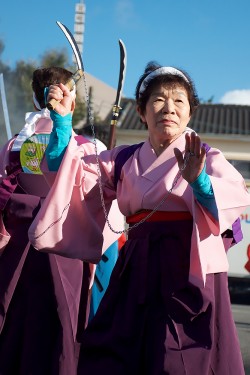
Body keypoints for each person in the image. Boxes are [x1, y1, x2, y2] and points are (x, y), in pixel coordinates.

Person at [28, 62, 250, 375]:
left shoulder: (206, 156)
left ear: (190, 113)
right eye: (158, 100)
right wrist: (63, 124)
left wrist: (199, 181)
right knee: (113, 353)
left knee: (178, 359)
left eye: (178, 101)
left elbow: (231, 202)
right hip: (136, 264)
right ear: (143, 112)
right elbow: (70, 178)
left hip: (187, 266)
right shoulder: (123, 159)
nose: (168, 108)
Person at [0, 67, 97, 375]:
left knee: (12, 324)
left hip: (15, 244)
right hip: (61, 243)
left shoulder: (14, 142)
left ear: (33, 95)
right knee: (59, 327)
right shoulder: (85, 146)